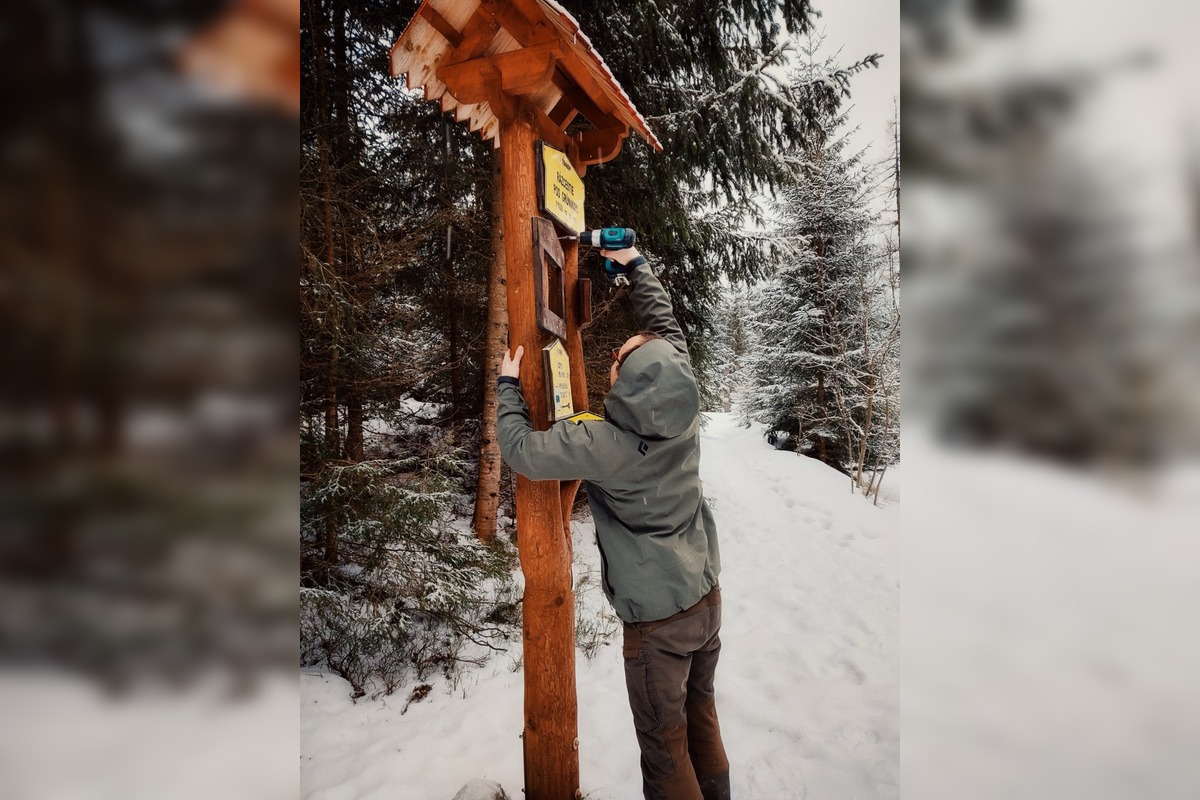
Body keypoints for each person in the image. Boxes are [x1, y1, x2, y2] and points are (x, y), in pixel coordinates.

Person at [495, 246, 730, 800]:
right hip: (705, 597)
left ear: (628, 381)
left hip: (658, 623)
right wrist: (637, 266)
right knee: (700, 714)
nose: (614, 362)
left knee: (665, 747)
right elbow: (665, 334)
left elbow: (521, 450)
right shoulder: (681, 405)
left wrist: (507, 386)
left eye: (619, 358)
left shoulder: (604, 444)